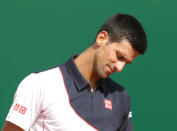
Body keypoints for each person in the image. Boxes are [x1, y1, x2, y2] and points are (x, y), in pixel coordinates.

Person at [2, 13, 147, 131]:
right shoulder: (39, 84)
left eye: (126, 63)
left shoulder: (121, 97)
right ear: (102, 38)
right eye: (119, 56)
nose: (120, 68)